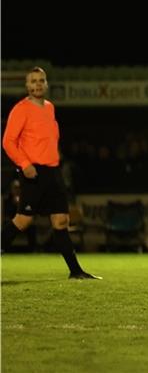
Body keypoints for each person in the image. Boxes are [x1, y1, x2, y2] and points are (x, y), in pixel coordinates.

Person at [1, 67, 100, 279]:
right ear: (27, 86)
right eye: (33, 81)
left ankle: (76, 271)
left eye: (41, 80)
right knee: (23, 221)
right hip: (33, 172)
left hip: (53, 173)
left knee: (61, 221)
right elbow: (8, 142)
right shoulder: (21, 109)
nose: (37, 84)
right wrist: (25, 164)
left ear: (46, 84)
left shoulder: (50, 108)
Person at [2, 179, 38, 251]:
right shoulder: (6, 200)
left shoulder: (27, 199)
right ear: (11, 189)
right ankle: (4, 248)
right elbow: (4, 214)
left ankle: (32, 250)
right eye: (15, 188)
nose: (17, 190)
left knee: (32, 227)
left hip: (23, 223)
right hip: (10, 222)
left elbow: (30, 213)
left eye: (19, 188)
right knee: (8, 228)